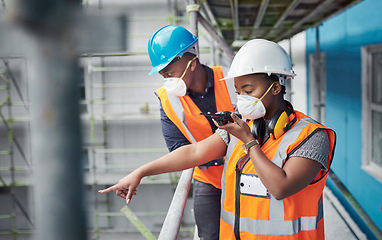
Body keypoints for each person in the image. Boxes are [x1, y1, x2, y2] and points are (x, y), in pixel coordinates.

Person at [99, 39, 336, 240]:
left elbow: (280, 187)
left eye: (249, 90)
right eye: (238, 91)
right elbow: (193, 153)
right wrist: (140, 172)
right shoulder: (243, 125)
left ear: (275, 88)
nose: (241, 99)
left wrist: (248, 141)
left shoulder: (312, 136)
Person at [149, 25, 236, 240]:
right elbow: (179, 149)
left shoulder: (230, 79)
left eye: (170, 72)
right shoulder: (168, 99)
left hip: (243, 173)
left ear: (192, 62)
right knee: (210, 236)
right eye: (163, 75)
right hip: (207, 179)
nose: (167, 80)